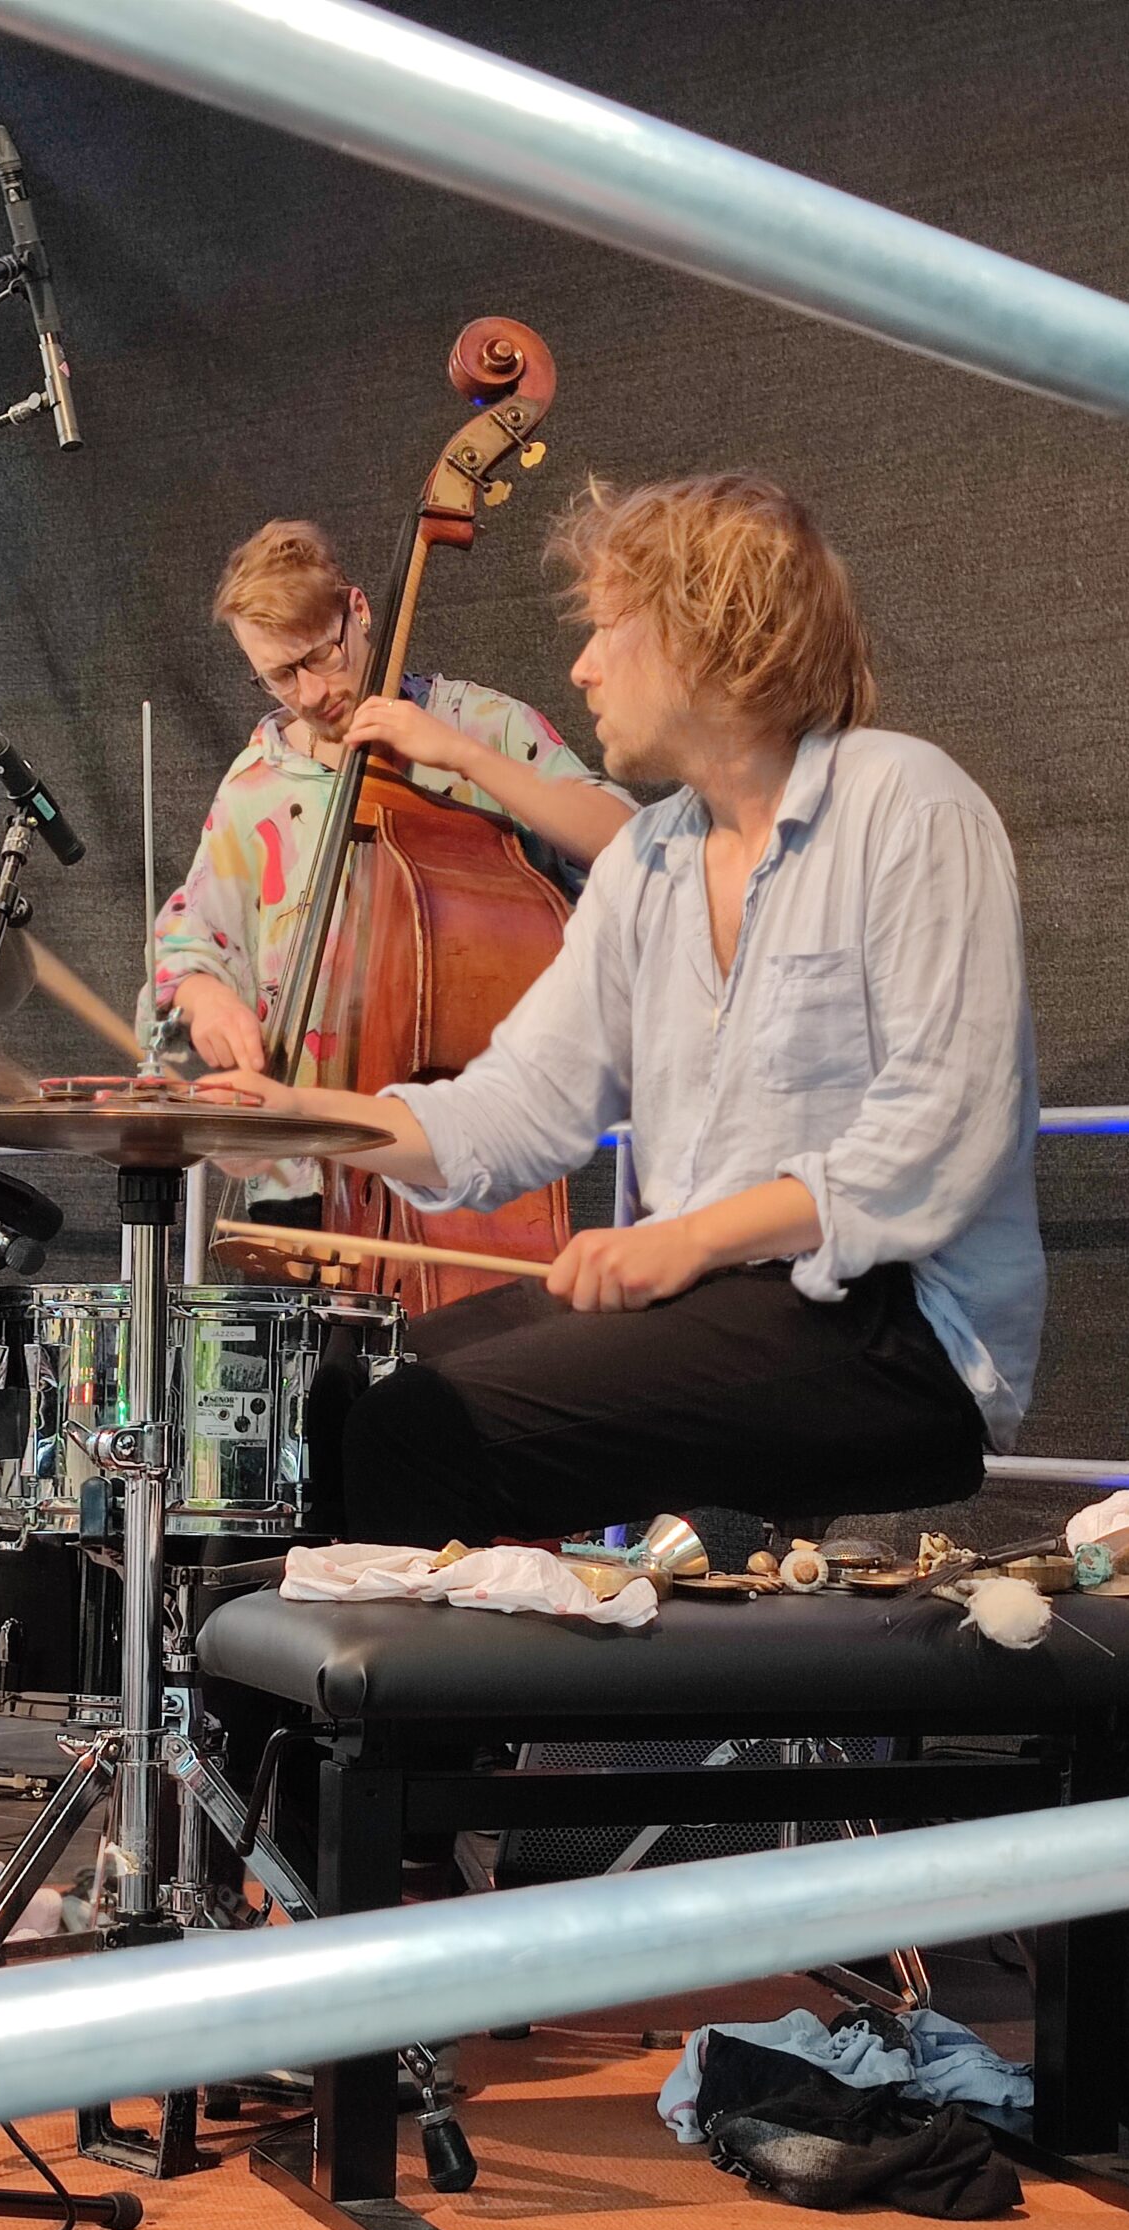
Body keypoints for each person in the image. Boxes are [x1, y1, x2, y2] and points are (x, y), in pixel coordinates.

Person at [198, 472, 1046, 1546]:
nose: (582, 665)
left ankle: (460, 1663)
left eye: (606, 629)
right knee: (341, 1399)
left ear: (705, 636)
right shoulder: (651, 860)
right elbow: (519, 1104)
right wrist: (301, 1117)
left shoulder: (908, 803)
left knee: (416, 1431)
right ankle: (395, 1666)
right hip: (716, 1298)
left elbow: (943, 1127)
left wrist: (685, 1240)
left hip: (896, 1323)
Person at [143, 519, 634, 1208]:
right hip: (298, 1179)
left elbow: (632, 847)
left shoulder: (480, 725)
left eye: (320, 656)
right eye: (279, 676)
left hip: (459, 1174)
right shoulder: (255, 784)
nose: (309, 694)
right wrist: (206, 998)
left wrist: (463, 757)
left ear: (359, 611)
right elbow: (186, 942)